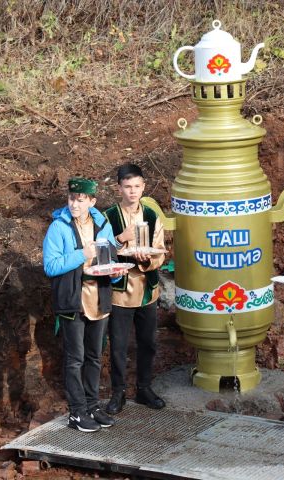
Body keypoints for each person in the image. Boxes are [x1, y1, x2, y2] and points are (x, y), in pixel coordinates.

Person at [43, 177, 126, 432]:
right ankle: (76, 412)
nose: (74, 204)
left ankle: (92, 405)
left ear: (92, 201)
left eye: (80, 200)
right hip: (72, 300)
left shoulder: (102, 224)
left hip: (98, 299)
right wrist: (82, 254)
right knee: (75, 358)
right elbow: (51, 266)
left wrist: (116, 273)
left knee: (94, 357)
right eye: (71, 199)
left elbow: (108, 258)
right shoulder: (59, 227)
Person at [104, 163, 166, 414]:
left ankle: (144, 388)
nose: (132, 191)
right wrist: (120, 238)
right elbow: (98, 251)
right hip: (120, 291)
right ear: (119, 188)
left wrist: (146, 260)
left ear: (144, 187)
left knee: (148, 342)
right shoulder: (108, 217)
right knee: (118, 345)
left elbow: (160, 251)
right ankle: (117, 392)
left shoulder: (152, 216)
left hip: (147, 289)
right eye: (127, 187)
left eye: (137, 186)